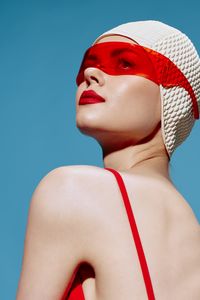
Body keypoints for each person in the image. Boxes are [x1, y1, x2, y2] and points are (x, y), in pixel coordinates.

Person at [16, 20, 200, 300]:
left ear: (174, 95)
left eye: (124, 63)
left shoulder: (72, 190)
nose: (90, 73)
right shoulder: (191, 237)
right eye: (88, 64)